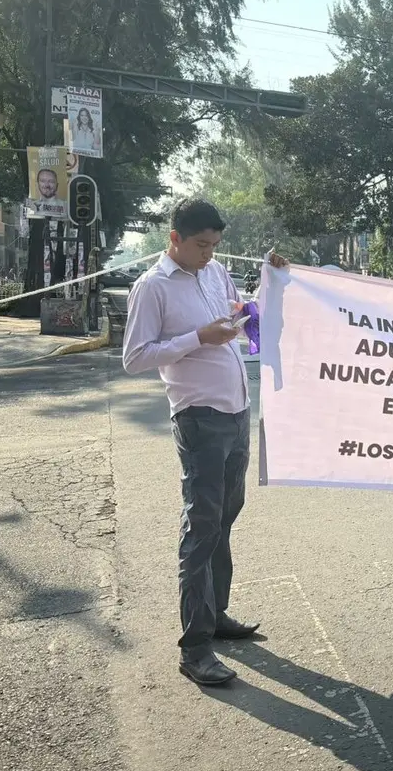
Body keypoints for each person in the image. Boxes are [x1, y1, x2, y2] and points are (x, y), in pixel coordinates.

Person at [122, 199, 289, 687]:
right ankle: (195, 647)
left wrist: (267, 283)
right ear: (173, 238)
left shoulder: (214, 274)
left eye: (215, 245)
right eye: (200, 245)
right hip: (198, 418)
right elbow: (135, 357)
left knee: (225, 516)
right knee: (202, 527)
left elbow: (239, 317)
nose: (209, 254)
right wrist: (197, 337)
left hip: (236, 410)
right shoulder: (152, 287)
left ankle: (215, 613)